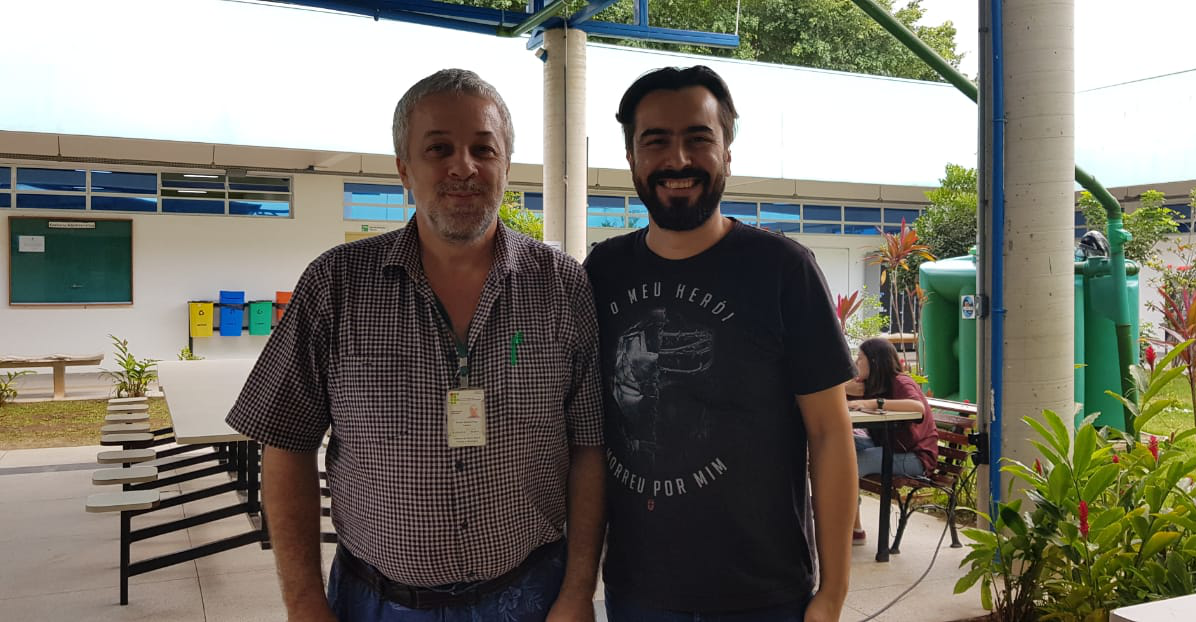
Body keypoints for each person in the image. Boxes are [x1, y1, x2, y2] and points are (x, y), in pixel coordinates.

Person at [225, 69, 604, 622]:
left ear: (505, 166)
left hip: (530, 597)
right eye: (439, 148)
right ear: (404, 169)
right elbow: (285, 443)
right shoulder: (335, 285)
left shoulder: (563, 286)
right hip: (377, 603)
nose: (463, 166)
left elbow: (590, 448)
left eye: (483, 148)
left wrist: (576, 592)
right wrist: (304, 603)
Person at [583, 65, 857, 622]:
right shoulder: (602, 271)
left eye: (698, 138)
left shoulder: (782, 269)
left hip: (764, 594)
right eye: (655, 141)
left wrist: (832, 595)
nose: (677, 161)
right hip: (639, 593)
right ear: (632, 159)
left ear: (727, 153)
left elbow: (829, 433)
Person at [845, 337, 939, 545]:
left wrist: (873, 402)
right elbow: (845, 392)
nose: (856, 362)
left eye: (860, 358)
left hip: (914, 457)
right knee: (841, 443)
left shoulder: (900, 382)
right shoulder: (875, 384)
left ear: (874, 361)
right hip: (889, 447)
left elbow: (917, 408)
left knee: (850, 463)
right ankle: (853, 526)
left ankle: (847, 523)